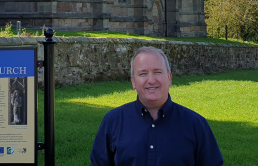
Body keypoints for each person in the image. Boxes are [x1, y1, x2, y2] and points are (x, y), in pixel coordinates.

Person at [89, 46, 223, 166]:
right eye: (143, 74)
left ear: (169, 78)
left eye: (158, 72)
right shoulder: (113, 122)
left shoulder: (196, 125)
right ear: (133, 82)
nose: (151, 80)